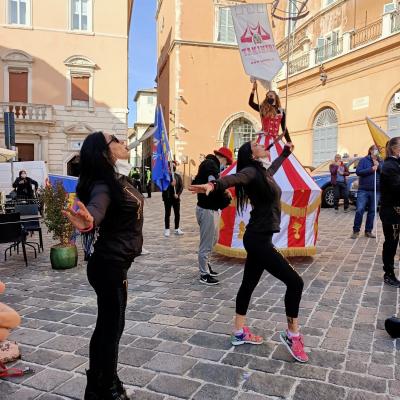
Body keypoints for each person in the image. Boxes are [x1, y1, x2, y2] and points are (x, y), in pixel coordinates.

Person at [189, 140, 308, 363]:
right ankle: (293, 335)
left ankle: (239, 332)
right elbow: (235, 178)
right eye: (256, 145)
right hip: (259, 241)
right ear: (252, 155)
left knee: (248, 284)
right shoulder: (251, 171)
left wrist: (285, 153)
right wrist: (214, 185)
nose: (262, 145)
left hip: (256, 238)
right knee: (296, 283)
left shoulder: (263, 172)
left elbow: (272, 170)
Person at [63, 132, 144, 400]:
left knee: (107, 327)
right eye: (116, 140)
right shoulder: (104, 184)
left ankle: (99, 383)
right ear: (104, 152)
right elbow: (97, 206)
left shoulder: (118, 179)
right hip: (109, 266)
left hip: (111, 265)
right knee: (112, 328)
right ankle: (106, 389)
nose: (124, 142)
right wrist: (89, 221)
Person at [192, 146, 233, 285]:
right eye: (226, 163)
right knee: (207, 243)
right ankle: (204, 274)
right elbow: (211, 179)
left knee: (214, 239)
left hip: (211, 209)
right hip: (207, 210)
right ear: (223, 158)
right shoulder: (211, 164)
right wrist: (214, 185)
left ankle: (206, 265)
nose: (225, 166)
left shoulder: (211, 164)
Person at [379, 137, 400, 287]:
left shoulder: (396, 164)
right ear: (394, 149)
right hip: (391, 212)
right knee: (391, 243)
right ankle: (389, 274)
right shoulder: (389, 166)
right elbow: (397, 187)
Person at [351, 145, 382, 239]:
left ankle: (368, 231)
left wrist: (378, 166)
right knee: (360, 209)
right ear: (371, 151)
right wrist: (371, 169)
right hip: (363, 189)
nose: (377, 152)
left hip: (376, 190)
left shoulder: (380, 161)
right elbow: (358, 172)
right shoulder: (364, 160)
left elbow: (384, 171)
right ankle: (356, 231)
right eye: (376, 150)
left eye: (378, 150)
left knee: (372, 211)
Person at [163, 162, 184, 237]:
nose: (172, 168)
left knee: (177, 214)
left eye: (173, 166)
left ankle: (177, 228)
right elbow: (163, 187)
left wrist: (178, 194)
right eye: (170, 167)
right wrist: (170, 185)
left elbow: (181, 186)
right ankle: (167, 229)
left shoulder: (177, 176)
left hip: (176, 198)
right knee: (167, 214)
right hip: (167, 198)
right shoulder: (165, 177)